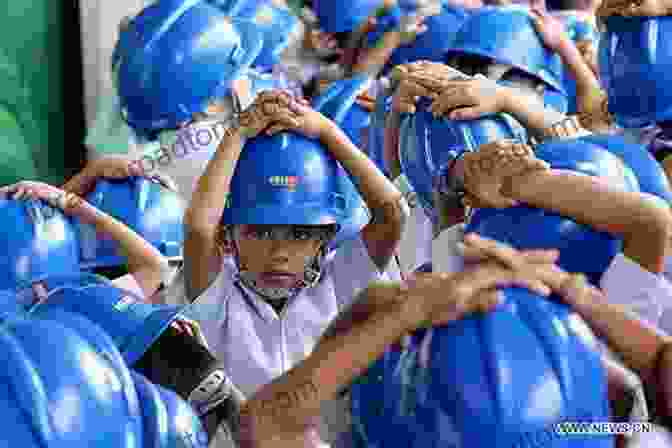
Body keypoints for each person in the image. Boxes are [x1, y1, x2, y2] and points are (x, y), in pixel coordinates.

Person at [178, 89, 404, 446]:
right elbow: (197, 227)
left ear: (324, 239)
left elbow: (392, 212)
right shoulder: (217, 300)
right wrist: (238, 132)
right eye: (259, 231)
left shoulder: (340, 283)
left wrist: (328, 132)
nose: (279, 252)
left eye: (300, 234)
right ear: (228, 237)